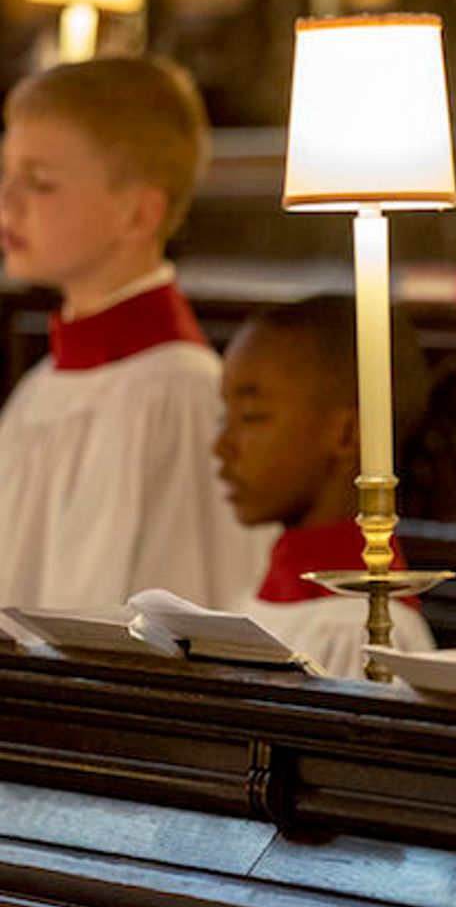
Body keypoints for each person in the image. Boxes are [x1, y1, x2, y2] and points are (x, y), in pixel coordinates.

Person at [0, 55, 270, 611]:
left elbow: (191, 619)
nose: (8, 201)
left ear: (138, 215)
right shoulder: (40, 387)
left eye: (40, 182)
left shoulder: (181, 397)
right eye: (6, 174)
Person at [214, 296, 434, 675]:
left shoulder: (366, 631)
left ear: (348, 433)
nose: (222, 447)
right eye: (224, 417)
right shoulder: (254, 599)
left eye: (251, 417)